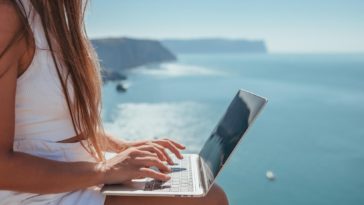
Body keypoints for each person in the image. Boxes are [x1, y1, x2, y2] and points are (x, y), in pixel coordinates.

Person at [0, 0, 229, 204]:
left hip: (79, 177)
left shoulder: (59, 24)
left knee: (201, 188)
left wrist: (122, 147)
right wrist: (104, 170)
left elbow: (62, 127)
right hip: (40, 196)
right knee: (210, 199)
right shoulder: (8, 16)